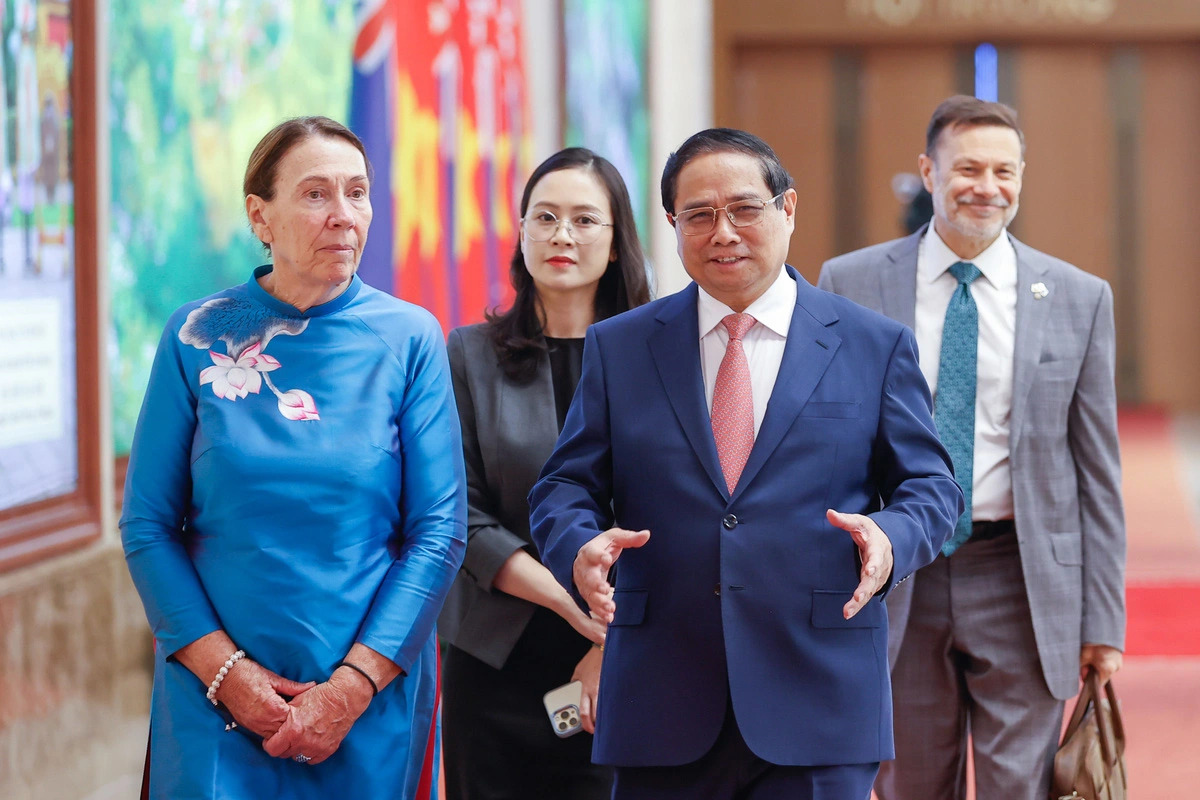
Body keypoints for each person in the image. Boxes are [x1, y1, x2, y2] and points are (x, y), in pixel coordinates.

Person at [529, 128, 964, 800]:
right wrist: (578, 545)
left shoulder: (873, 346)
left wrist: (891, 538)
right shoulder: (621, 348)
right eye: (698, 216)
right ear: (673, 226)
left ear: (788, 209)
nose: (723, 232)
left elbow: (930, 488)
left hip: (819, 697)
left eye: (744, 210)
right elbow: (565, 486)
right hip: (662, 700)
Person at [120, 116, 466, 799]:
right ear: (261, 215)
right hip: (213, 695)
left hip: (367, 693)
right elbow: (148, 527)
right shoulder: (196, 336)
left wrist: (351, 686)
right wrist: (228, 675)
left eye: (358, 193)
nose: (344, 216)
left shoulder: (409, 339)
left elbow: (439, 532)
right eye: (315, 194)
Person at [818, 95, 1126, 800]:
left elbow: (1097, 475)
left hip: (1021, 573)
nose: (987, 187)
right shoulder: (850, 284)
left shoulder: (1080, 298)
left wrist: (1103, 620)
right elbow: (827, 443)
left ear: (1022, 177)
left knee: (1021, 784)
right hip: (896, 569)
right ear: (928, 172)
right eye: (968, 169)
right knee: (910, 781)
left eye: (1004, 171)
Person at [437, 146, 651, 800]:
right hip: (494, 653)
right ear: (521, 232)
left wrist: (606, 642)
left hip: (627, 650)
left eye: (586, 220)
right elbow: (459, 513)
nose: (563, 235)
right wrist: (567, 601)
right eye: (545, 217)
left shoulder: (660, 357)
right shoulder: (469, 354)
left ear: (616, 245)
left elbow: (672, 514)